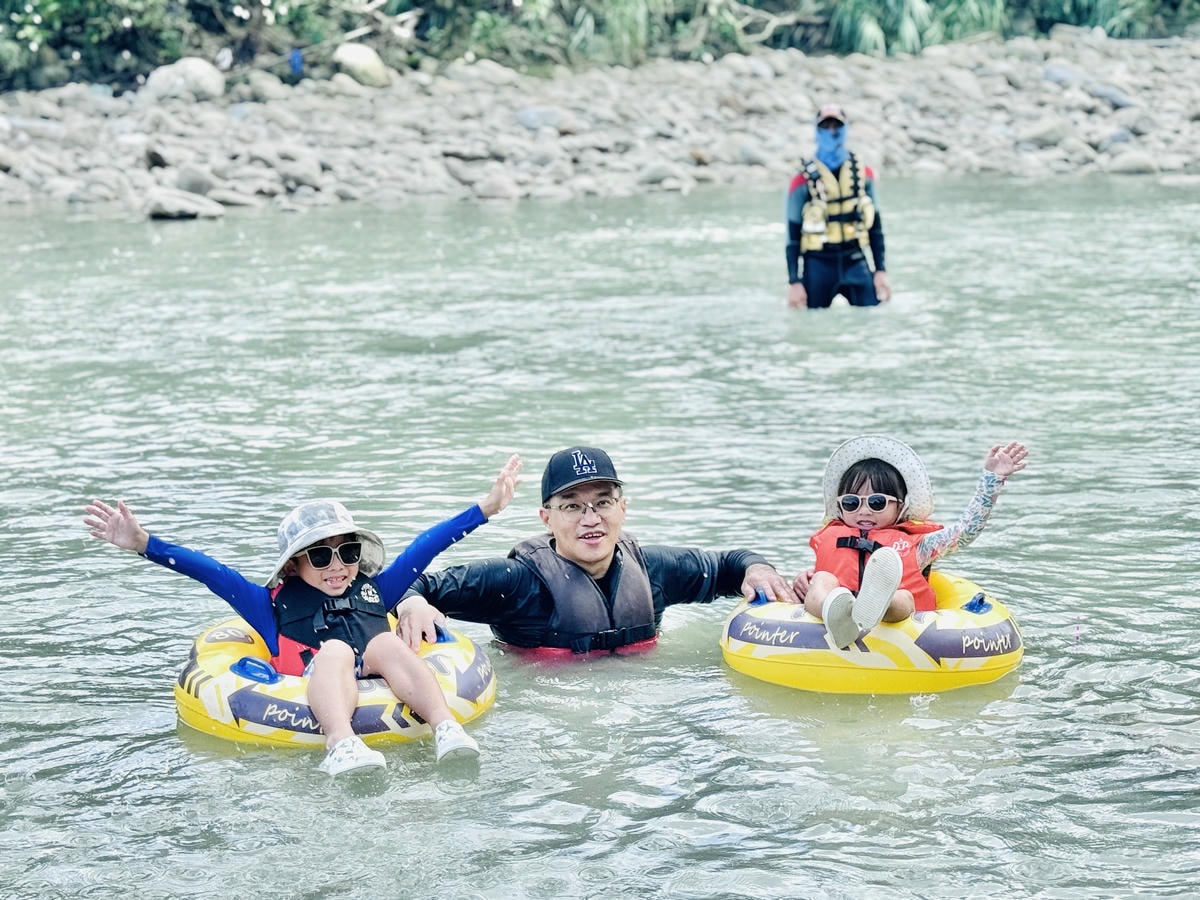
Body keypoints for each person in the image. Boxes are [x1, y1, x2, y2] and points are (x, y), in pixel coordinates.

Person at [84, 454, 522, 776]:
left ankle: (446, 729)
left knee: (385, 642)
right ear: (294, 564)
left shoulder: (376, 590)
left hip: (378, 670)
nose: (338, 566)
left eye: (348, 552)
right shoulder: (266, 604)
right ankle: (341, 744)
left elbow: (427, 546)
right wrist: (145, 544)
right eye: (320, 556)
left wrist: (485, 510)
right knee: (332, 651)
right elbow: (209, 571)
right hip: (310, 681)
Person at [392, 446, 797, 657]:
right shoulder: (515, 584)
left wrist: (756, 567)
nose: (591, 519)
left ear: (623, 508)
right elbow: (406, 587)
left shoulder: (653, 569)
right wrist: (413, 606)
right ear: (546, 518)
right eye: (571, 506)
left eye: (602, 502)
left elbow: (728, 565)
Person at [795, 436, 1028, 649]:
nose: (863, 511)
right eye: (851, 503)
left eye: (877, 502)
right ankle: (835, 612)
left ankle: (875, 603)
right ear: (840, 506)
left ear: (900, 506)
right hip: (835, 614)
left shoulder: (919, 545)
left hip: (900, 626)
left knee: (903, 597)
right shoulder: (831, 536)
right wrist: (807, 582)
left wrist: (992, 479)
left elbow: (966, 530)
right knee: (822, 580)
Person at [785, 102, 893, 309]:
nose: (832, 131)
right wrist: (794, 282)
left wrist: (880, 271)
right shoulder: (801, 181)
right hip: (817, 264)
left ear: (846, 129)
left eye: (837, 125)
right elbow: (792, 237)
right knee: (812, 326)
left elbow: (876, 228)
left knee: (874, 315)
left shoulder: (863, 175)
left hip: (855, 259)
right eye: (826, 126)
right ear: (817, 130)